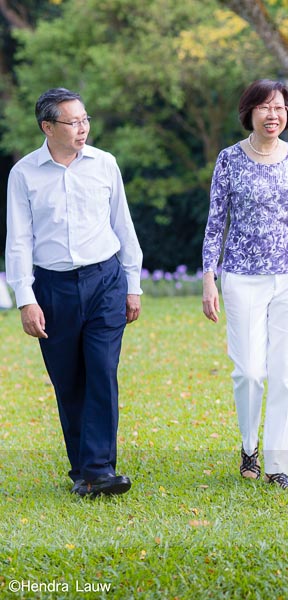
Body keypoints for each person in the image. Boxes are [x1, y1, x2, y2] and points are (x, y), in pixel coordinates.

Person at [5, 88, 143, 497]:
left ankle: (100, 469)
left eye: (85, 120)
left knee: (101, 372)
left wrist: (132, 286)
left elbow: (124, 226)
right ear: (48, 127)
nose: (82, 128)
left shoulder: (105, 165)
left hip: (105, 279)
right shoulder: (25, 174)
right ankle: (82, 471)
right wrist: (25, 298)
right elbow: (18, 240)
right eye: (72, 122)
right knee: (69, 380)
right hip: (53, 288)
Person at [201, 79, 288, 489]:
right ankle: (248, 445)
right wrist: (209, 276)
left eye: (280, 108)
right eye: (265, 107)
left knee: (287, 374)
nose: (273, 115)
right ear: (249, 112)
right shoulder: (229, 160)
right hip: (242, 276)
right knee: (250, 372)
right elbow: (216, 221)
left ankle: (277, 465)